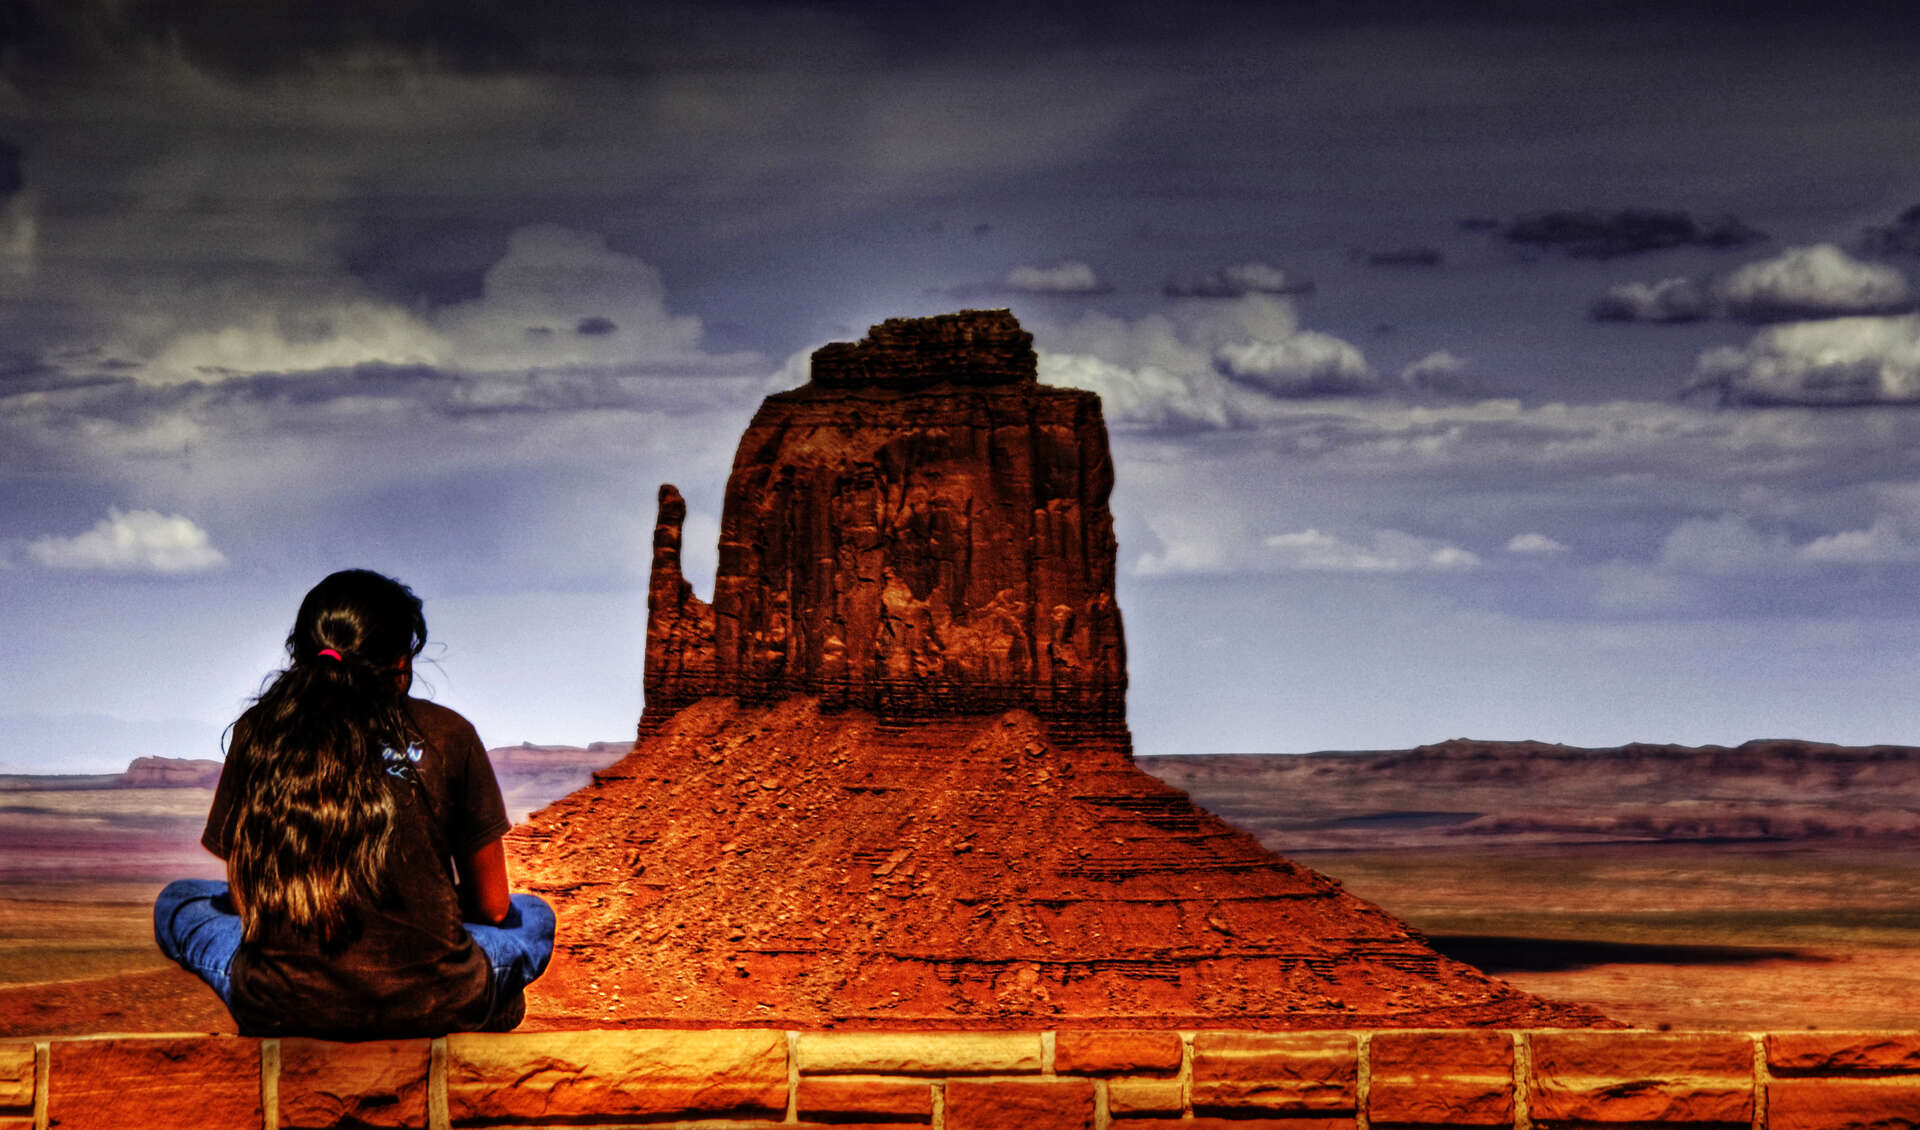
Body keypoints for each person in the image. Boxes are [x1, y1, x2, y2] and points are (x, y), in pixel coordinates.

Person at [153, 569, 553, 1038]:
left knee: (181, 899)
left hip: (280, 1000)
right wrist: (423, 901)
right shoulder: (449, 733)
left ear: (303, 653)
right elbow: (494, 908)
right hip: (434, 998)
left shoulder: (260, 730)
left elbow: (246, 897)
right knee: (532, 915)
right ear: (400, 660)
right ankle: (484, 1002)